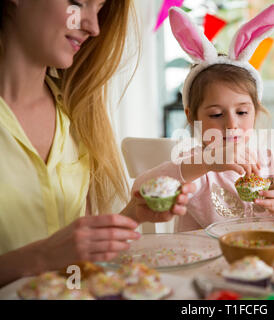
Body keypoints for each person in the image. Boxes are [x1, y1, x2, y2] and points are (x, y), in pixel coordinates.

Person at [0, 0, 195, 287]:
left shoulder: (78, 114)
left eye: (99, 9)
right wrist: (41, 257)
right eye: (78, 3)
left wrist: (133, 215)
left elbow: (79, 258)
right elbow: (55, 254)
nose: (93, 27)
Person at [133, 4, 274, 232]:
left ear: (255, 112)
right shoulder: (195, 166)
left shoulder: (272, 164)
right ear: (192, 116)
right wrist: (205, 162)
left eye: (242, 112)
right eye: (216, 114)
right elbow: (140, 189)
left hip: (266, 261)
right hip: (204, 264)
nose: (232, 125)